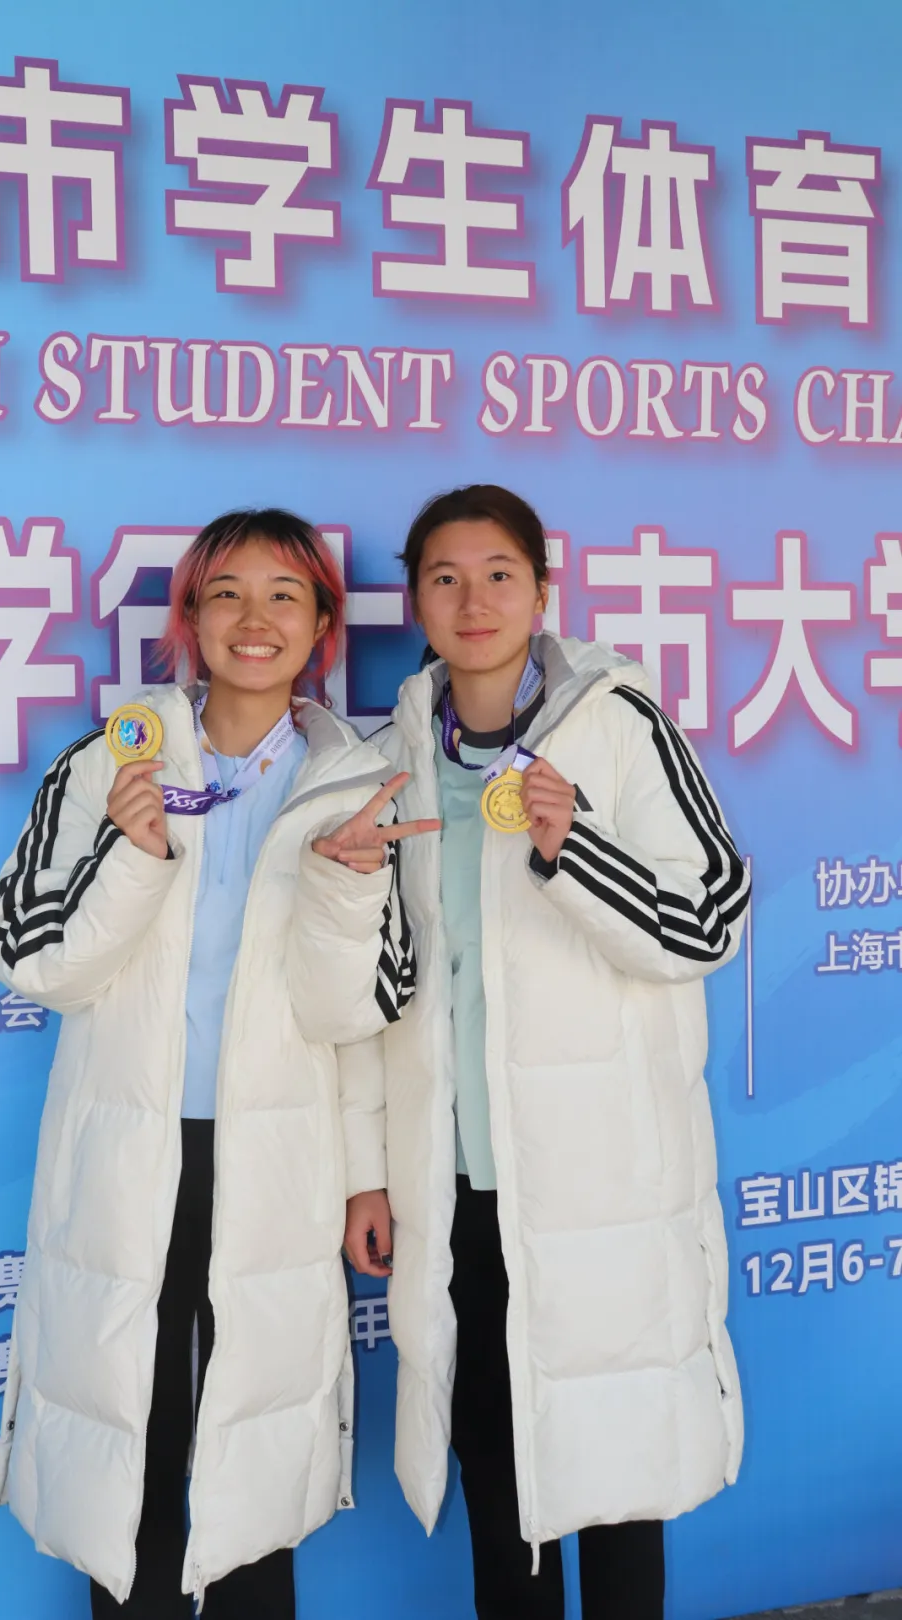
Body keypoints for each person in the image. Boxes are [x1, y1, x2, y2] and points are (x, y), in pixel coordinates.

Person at [0, 508, 438, 1618]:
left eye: (285, 595)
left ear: (323, 625)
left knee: (252, 1445)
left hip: (277, 1160)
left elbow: (358, 1013)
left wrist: (345, 889)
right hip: (130, 1151)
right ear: (189, 616)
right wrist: (130, 854)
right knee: (126, 1443)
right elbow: (30, 959)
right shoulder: (109, 761)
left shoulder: (359, 782)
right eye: (226, 593)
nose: (253, 619)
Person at [371, 484, 750, 1620]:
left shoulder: (619, 721)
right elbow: (389, 994)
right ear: (416, 601)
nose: (473, 601)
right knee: (500, 1484)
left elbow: (711, 919)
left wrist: (572, 846)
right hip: (461, 1192)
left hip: (601, 1191)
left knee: (617, 1485)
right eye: (445, 578)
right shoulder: (394, 752)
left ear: (543, 591)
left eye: (500, 575)